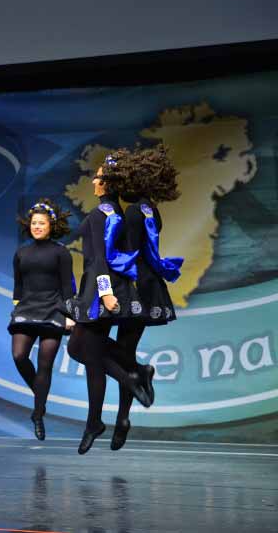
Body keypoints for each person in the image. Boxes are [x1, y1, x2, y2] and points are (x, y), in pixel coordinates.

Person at [66, 150, 153, 454]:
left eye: (98, 176)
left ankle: (124, 386)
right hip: (116, 287)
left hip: (101, 288)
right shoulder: (122, 212)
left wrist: (104, 291)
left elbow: (98, 258)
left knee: (86, 352)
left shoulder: (99, 214)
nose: (93, 181)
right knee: (81, 349)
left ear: (108, 183)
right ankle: (134, 374)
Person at [108, 144, 182, 450]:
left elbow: (128, 253)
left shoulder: (132, 212)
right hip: (149, 282)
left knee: (117, 351)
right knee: (125, 350)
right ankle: (123, 417)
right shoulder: (151, 208)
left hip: (135, 282)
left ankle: (140, 374)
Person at [9, 199, 75, 440]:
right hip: (27, 307)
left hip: (53, 309)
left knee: (45, 365)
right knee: (19, 356)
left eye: (42, 223)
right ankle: (40, 395)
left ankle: (38, 414)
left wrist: (70, 315)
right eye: (34, 223)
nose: (37, 226)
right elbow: (18, 285)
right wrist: (16, 307)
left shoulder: (61, 252)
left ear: (51, 226)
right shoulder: (21, 253)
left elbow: (67, 286)